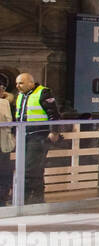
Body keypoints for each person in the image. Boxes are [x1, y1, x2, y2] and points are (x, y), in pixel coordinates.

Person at [12, 73, 62, 204]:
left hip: (38, 136)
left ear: (31, 83)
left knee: (29, 168)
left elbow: (54, 114)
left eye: (20, 83)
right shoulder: (21, 95)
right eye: (17, 83)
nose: (17, 86)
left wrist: (54, 132)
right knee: (35, 169)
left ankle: (25, 199)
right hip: (24, 136)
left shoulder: (43, 93)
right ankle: (37, 198)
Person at [0, 78, 15, 203]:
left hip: (3, 144)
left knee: (5, 171)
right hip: (3, 144)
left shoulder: (5, 103)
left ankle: (3, 196)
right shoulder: (4, 103)